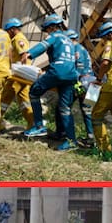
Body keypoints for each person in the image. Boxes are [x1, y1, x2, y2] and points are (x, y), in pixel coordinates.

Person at [24, 13, 78, 150]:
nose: (47, 31)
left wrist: (29, 54)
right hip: (71, 74)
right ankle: (71, 141)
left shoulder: (55, 36)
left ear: (53, 27)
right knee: (65, 107)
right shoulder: (69, 41)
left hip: (57, 71)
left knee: (34, 92)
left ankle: (39, 126)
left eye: (47, 29)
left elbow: (43, 46)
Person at [91, 21, 112, 151]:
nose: (103, 40)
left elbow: (105, 63)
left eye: (104, 37)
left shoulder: (111, 45)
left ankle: (104, 148)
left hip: (110, 86)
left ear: (109, 35)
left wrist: (99, 78)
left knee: (96, 115)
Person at [0, 17, 35, 128]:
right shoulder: (17, 39)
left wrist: (18, 71)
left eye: (8, 31)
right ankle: (32, 124)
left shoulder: (18, 39)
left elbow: (24, 55)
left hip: (18, 75)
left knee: (5, 97)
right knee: (24, 100)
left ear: (13, 29)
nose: (7, 34)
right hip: (21, 75)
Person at [67, 29, 96, 149]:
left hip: (83, 83)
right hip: (92, 83)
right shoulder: (82, 48)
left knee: (65, 106)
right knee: (89, 112)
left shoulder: (76, 49)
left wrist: (76, 87)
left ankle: (65, 134)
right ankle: (91, 138)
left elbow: (78, 70)